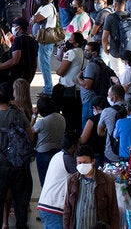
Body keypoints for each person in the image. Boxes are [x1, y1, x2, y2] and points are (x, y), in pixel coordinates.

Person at [0, 82, 34, 229]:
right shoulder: (18, 114)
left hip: (1, 165)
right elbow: (30, 136)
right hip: (19, 164)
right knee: (21, 200)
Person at [63, 145, 119, 229]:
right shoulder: (72, 181)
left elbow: (113, 211)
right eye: (79, 163)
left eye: (85, 162)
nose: (82, 165)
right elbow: (67, 210)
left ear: (93, 161)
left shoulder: (106, 181)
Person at [37, 133, 78, 229]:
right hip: (54, 208)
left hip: (45, 205)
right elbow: (83, 176)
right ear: (73, 147)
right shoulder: (68, 159)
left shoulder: (57, 156)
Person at [55, 32, 85, 134]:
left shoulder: (71, 53)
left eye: (70, 40)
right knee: (76, 118)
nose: (68, 41)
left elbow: (60, 72)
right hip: (78, 89)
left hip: (68, 90)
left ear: (76, 43)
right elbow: (61, 59)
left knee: (68, 119)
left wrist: (57, 70)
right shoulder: (80, 51)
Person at [32, 96, 66, 187]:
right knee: (55, 179)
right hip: (58, 150)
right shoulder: (61, 118)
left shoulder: (42, 122)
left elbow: (30, 132)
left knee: (44, 180)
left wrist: (34, 115)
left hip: (43, 152)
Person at [102, 0, 131, 75]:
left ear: (115, 4)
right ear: (124, 4)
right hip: (130, 51)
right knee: (130, 75)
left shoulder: (110, 17)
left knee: (119, 76)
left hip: (116, 52)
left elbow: (104, 38)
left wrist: (105, 50)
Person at [31, 0, 57, 96]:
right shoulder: (43, 7)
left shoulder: (48, 8)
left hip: (46, 38)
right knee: (42, 64)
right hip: (42, 37)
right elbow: (32, 18)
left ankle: (48, 89)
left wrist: (34, 19)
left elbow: (35, 19)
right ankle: (47, 87)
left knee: (44, 64)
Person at [0, 17, 38, 85]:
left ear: (19, 28)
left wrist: (1, 66)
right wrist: (31, 78)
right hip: (27, 76)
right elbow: (35, 63)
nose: (12, 28)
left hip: (17, 77)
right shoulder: (33, 40)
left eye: (13, 26)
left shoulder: (18, 40)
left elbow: (15, 60)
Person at [76, 41, 104, 128]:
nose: (85, 52)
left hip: (89, 99)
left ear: (94, 53)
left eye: (87, 51)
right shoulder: (100, 61)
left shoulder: (92, 66)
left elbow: (87, 85)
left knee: (87, 125)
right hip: (93, 97)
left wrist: (78, 78)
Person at [97, 85, 126, 163]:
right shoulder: (130, 109)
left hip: (112, 153)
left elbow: (99, 132)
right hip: (128, 153)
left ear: (115, 97)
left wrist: (109, 131)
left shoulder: (107, 111)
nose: (108, 97)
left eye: (108, 95)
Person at [80, 96, 109, 168]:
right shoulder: (110, 117)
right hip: (106, 151)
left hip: (95, 153)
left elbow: (83, 140)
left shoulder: (92, 120)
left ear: (95, 108)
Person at [90, 0, 113, 65]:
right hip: (110, 42)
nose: (96, 4)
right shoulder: (111, 10)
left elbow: (93, 32)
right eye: (95, 2)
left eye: (98, 2)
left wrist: (92, 33)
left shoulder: (102, 14)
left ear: (105, 1)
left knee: (102, 64)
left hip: (102, 44)